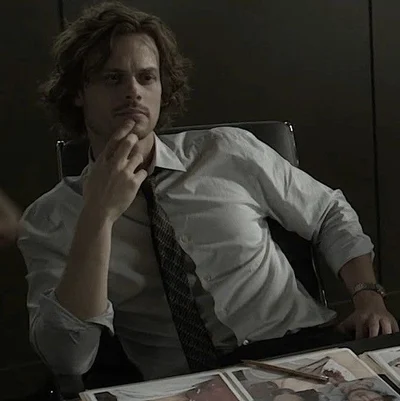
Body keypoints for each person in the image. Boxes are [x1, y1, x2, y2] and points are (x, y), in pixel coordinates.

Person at [17, 0, 398, 383]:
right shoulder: (50, 217)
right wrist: (97, 216)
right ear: (77, 92)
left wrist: (368, 296)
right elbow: (68, 359)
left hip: (302, 353)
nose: (133, 92)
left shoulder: (226, 151)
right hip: (186, 383)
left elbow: (329, 212)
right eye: (112, 78)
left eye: (147, 77)